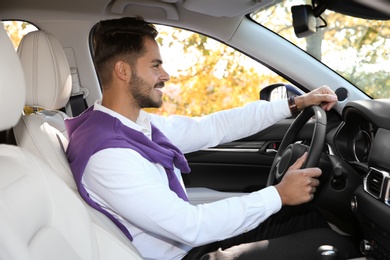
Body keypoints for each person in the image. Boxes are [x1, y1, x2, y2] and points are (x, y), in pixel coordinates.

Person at [65, 17, 359, 260]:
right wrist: (279, 195)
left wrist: (294, 104)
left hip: (189, 242)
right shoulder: (108, 154)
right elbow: (189, 226)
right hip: (185, 254)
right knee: (331, 246)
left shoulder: (130, 124)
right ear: (123, 71)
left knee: (315, 220)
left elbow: (213, 127)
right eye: (155, 65)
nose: (165, 75)